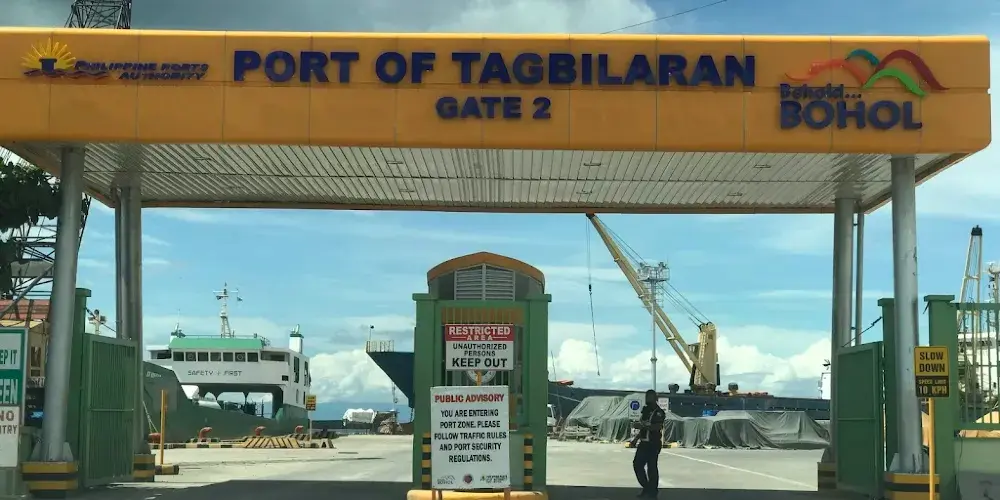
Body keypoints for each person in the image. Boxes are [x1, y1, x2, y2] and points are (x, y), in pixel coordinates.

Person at [632, 389, 665, 498]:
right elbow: (643, 427)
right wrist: (635, 439)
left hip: (653, 443)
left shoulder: (659, 412)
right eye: (646, 396)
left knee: (652, 468)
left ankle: (653, 492)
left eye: (649, 397)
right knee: (637, 464)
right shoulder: (645, 411)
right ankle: (647, 487)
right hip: (643, 442)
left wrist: (642, 426)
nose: (647, 399)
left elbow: (657, 427)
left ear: (655, 398)